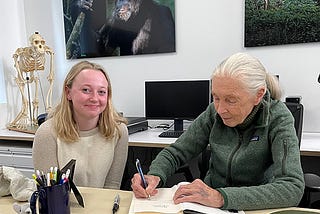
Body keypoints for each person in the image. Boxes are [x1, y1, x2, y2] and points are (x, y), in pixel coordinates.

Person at [131, 52, 305, 210]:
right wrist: (154, 175)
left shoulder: (279, 118)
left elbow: (292, 187)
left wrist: (221, 197)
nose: (220, 109)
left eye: (231, 100)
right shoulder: (213, 112)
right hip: (208, 207)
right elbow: (176, 152)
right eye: (216, 97)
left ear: (258, 95)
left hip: (254, 207)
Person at [32, 60, 128, 189]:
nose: (94, 98)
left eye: (101, 92)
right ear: (68, 93)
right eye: (86, 90)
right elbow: (50, 191)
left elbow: (112, 186)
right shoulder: (47, 133)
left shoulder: (119, 131)